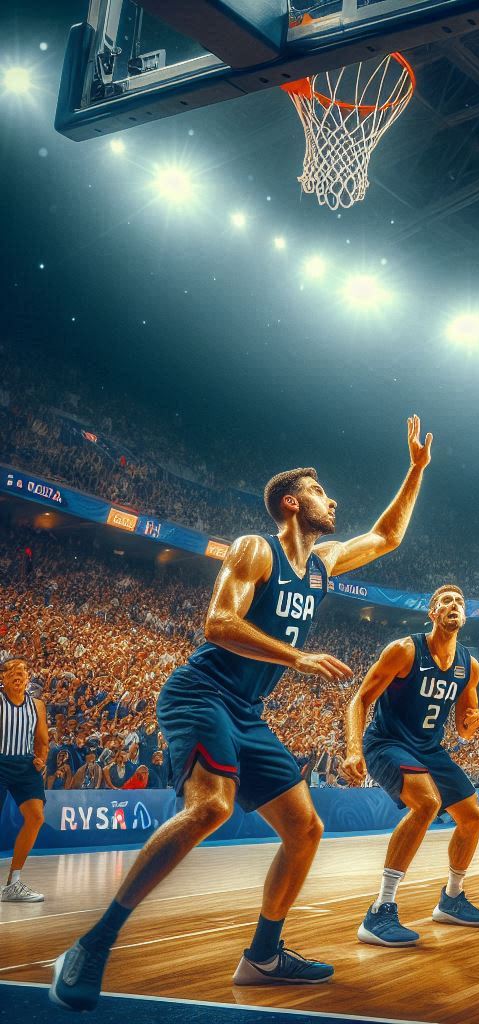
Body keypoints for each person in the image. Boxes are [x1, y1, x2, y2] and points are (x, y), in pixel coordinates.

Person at [52, 417, 433, 1012]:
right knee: (211, 805)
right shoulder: (257, 549)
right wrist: (298, 656)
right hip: (201, 692)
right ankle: (93, 944)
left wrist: (414, 471)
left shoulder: (323, 563)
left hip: (246, 711)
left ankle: (263, 955)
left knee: (305, 829)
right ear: (291, 502)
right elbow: (218, 624)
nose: (330, 499)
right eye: (318, 490)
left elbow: (386, 537)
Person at [343, 584, 479, 946]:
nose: (454, 605)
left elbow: (462, 727)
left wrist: (471, 725)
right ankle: (381, 910)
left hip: (428, 747)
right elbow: (359, 699)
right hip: (387, 742)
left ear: (465, 615)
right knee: (426, 803)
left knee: (472, 817)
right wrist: (352, 749)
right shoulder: (405, 651)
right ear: (433, 612)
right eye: (446, 601)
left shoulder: (468, 667)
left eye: (460, 601)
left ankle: (452, 899)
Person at [0, 658, 47, 903]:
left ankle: (13, 883)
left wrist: (41, 758)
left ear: (28, 677)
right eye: (12, 672)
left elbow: (42, 740)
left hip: (25, 765)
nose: (18, 675)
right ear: (3, 678)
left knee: (36, 817)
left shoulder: (37, 705)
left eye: (22, 671)